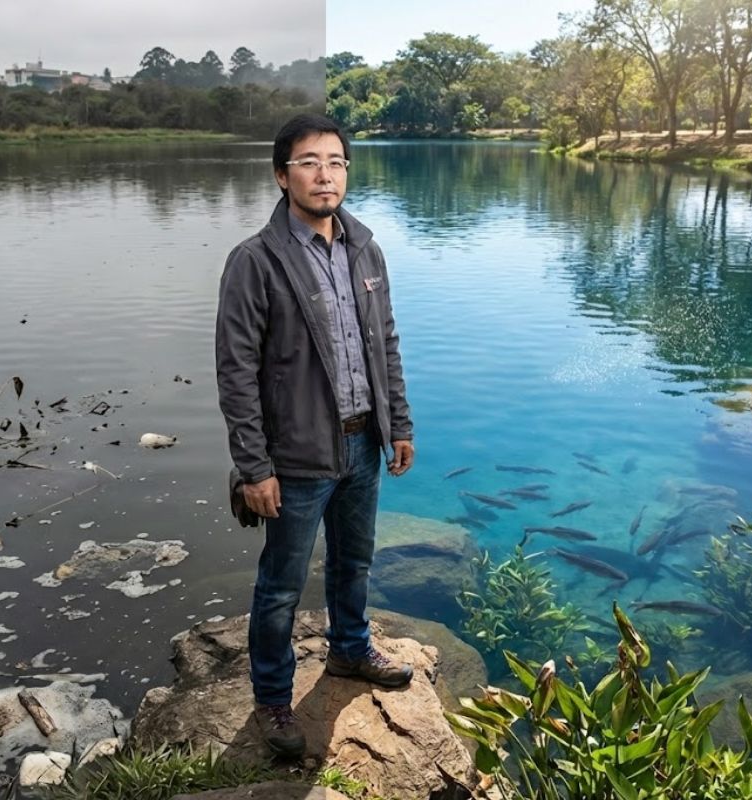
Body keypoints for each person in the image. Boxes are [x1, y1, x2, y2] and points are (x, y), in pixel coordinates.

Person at [215, 113, 415, 757]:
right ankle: (274, 701)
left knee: (354, 562)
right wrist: (254, 468)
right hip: (296, 456)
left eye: (335, 161)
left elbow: (383, 343)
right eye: (308, 161)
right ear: (282, 176)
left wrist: (399, 424)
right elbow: (236, 369)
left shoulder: (365, 248)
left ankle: (350, 651)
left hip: (363, 444)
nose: (324, 173)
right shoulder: (255, 261)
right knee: (280, 586)